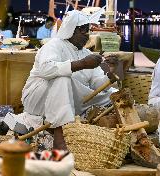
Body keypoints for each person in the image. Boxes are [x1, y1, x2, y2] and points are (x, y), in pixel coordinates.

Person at [20, 10, 118, 149]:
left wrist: (111, 72)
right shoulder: (54, 45)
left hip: (72, 101)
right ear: (71, 29)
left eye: (88, 30)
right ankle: (60, 137)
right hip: (38, 99)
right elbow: (46, 70)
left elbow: (97, 84)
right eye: (82, 30)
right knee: (62, 78)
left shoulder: (87, 53)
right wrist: (82, 64)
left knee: (113, 94)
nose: (87, 34)